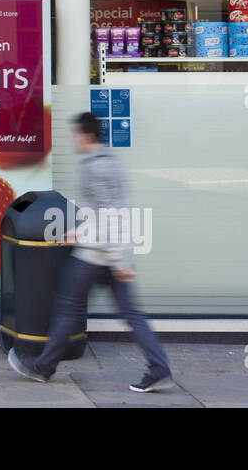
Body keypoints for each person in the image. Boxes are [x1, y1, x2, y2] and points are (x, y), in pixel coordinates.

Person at [9, 111, 174, 393]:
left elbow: (111, 216)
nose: (73, 139)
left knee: (68, 308)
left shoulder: (95, 167)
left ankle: (44, 367)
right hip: (110, 252)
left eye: (75, 134)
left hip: (96, 255)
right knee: (130, 313)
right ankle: (159, 369)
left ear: (86, 135)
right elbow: (107, 214)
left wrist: (116, 257)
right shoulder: (111, 163)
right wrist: (87, 237)